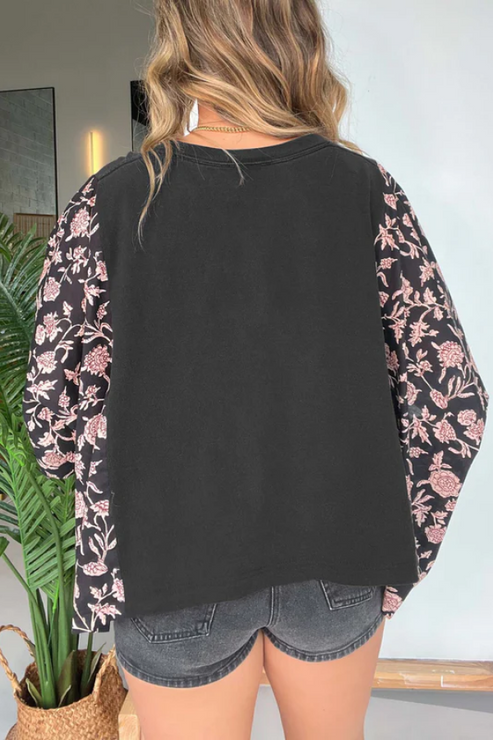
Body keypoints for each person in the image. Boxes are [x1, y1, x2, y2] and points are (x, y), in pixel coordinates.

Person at [22, 1, 489, 738]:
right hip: (336, 556)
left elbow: (50, 422)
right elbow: (451, 404)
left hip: (169, 562)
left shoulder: (108, 202)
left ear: (183, 44)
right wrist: (395, 547)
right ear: (299, 43)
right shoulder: (366, 191)